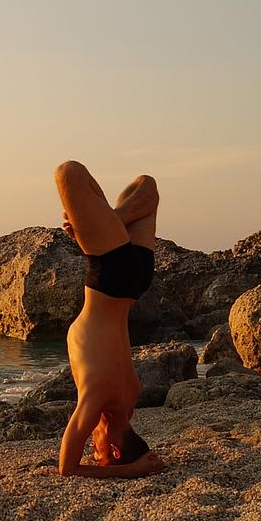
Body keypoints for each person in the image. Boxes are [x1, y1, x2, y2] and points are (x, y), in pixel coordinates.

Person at [52, 160, 166, 479]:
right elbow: (68, 468)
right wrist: (133, 469)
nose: (92, 445)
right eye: (98, 451)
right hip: (111, 276)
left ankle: (110, 222)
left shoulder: (130, 395)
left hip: (136, 281)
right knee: (68, 173)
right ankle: (110, 221)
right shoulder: (96, 398)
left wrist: (140, 461)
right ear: (114, 449)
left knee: (145, 186)